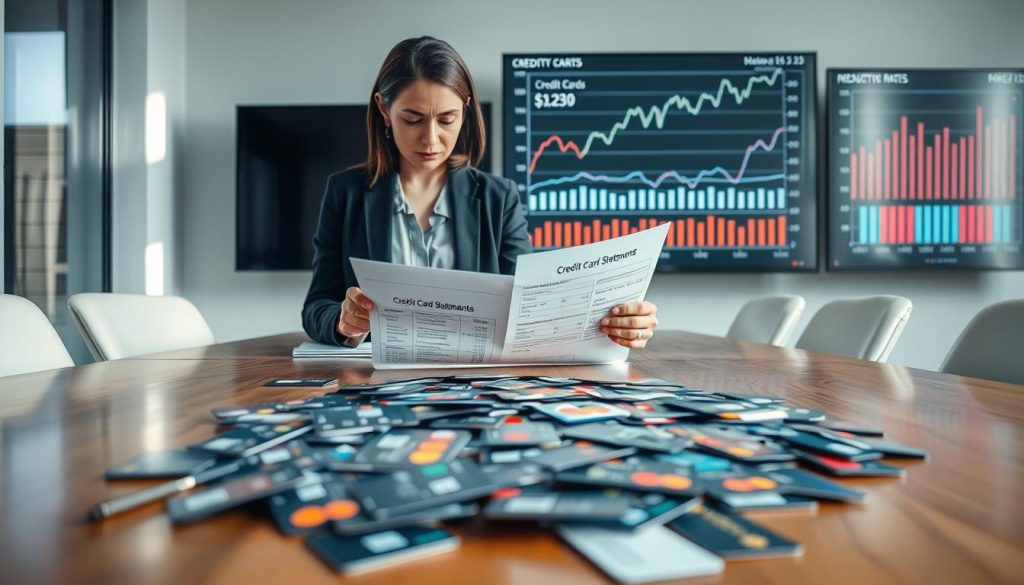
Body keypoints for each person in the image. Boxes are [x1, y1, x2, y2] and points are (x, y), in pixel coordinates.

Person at [301, 36, 658, 351]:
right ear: (383, 108)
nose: (431, 139)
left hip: (476, 382)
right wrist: (342, 322)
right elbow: (317, 305)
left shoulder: (498, 198)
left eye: (447, 119)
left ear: (466, 108)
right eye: (412, 119)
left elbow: (530, 305)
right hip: (375, 379)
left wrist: (616, 321)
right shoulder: (344, 193)